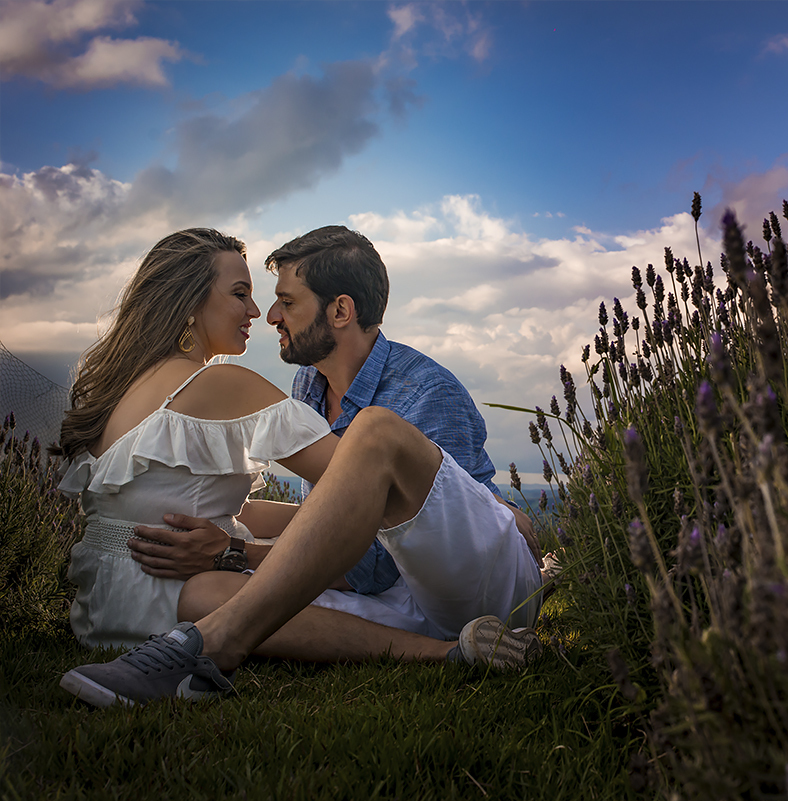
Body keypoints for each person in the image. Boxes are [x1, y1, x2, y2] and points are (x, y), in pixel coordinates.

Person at [56, 229, 542, 707]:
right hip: (398, 592)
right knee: (207, 594)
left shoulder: (427, 391)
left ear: (340, 311)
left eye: (285, 302)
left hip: (475, 584)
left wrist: (235, 551)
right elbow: (334, 521)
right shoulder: (308, 384)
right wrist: (232, 548)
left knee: (374, 431)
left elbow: (370, 561)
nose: (266, 314)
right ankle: (453, 654)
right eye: (246, 295)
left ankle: (219, 641)